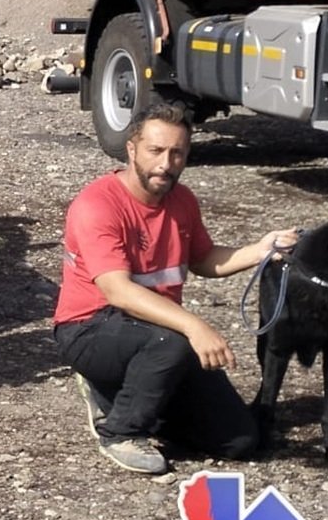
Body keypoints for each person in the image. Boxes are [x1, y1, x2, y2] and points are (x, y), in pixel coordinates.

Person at [55, 101, 298, 474]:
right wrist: (195, 325)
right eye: (155, 151)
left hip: (157, 336)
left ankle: (130, 397)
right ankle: (120, 430)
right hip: (90, 328)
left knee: (241, 440)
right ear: (132, 148)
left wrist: (261, 250)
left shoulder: (182, 201)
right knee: (173, 342)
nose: (166, 164)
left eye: (177, 153)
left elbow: (203, 260)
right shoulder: (98, 204)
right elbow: (118, 292)